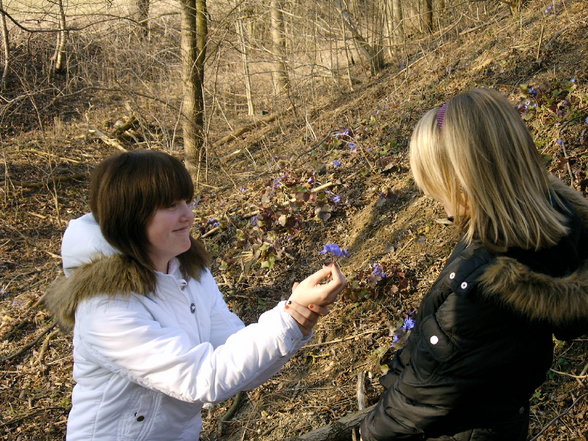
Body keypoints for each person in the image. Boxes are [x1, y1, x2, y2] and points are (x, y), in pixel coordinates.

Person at [45, 149, 346, 441]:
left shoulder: (190, 274)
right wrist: (289, 315)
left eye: (187, 202)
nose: (188, 216)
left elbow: (237, 362)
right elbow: (202, 379)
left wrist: (298, 321)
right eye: (171, 206)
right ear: (130, 216)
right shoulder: (104, 306)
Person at [360, 88, 588, 441]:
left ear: (463, 183)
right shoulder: (559, 217)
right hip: (506, 416)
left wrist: (371, 432)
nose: (431, 196)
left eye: (434, 183)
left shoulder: (480, 284)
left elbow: (426, 394)